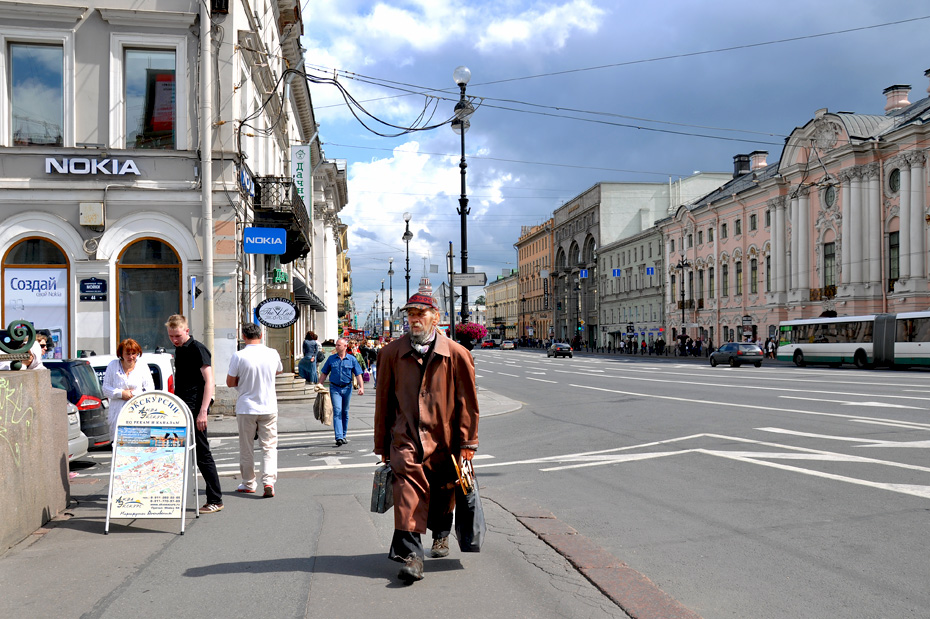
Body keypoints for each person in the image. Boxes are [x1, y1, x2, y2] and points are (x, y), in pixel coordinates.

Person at [373, 282, 480, 584]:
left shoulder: (457, 354)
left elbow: (467, 403)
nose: (414, 319)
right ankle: (412, 556)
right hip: (405, 436)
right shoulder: (392, 353)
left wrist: (468, 443)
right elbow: (383, 401)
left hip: (444, 438)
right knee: (407, 489)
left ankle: (441, 534)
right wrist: (382, 443)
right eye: (410, 315)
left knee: (443, 490)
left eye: (421, 314)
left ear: (436, 317)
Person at [165, 314, 224, 515]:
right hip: (183, 407)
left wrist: (203, 412)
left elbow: (209, 381)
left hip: (195, 408)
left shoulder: (198, 348)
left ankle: (215, 499)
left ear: (186, 331)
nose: (174, 339)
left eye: (178, 335)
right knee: (181, 452)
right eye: (171, 336)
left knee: (202, 454)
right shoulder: (179, 350)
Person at [226, 323, 282, 498]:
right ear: (261, 335)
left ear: (243, 336)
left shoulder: (239, 356)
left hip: (247, 406)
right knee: (269, 446)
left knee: (247, 447)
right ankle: (269, 481)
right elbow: (278, 371)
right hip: (269, 405)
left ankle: (249, 483)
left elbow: (230, 382)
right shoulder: (272, 353)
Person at [101, 338, 154, 440]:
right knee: (118, 445)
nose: (131, 357)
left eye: (134, 353)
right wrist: (121, 393)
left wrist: (133, 395)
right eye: (128, 353)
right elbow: (106, 388)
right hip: (117, 413)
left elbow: (150, 389)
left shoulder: (142, 366)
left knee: (137, 445)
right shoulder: (113, 365)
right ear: (121, 353)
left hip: (138, 413)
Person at [318, 337, 364, 447]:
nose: (336, 347)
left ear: (345, 346)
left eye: (339, 345)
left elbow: (358, 373)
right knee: (337, 410)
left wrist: (361, 387)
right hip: (335, 388)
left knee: (345, 412)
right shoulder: (331, 359)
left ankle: (343, 435)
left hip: (347, 388)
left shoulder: (352, 359)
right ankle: (338, 437)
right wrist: (320, 384)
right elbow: (324, 373)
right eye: (336, 345)